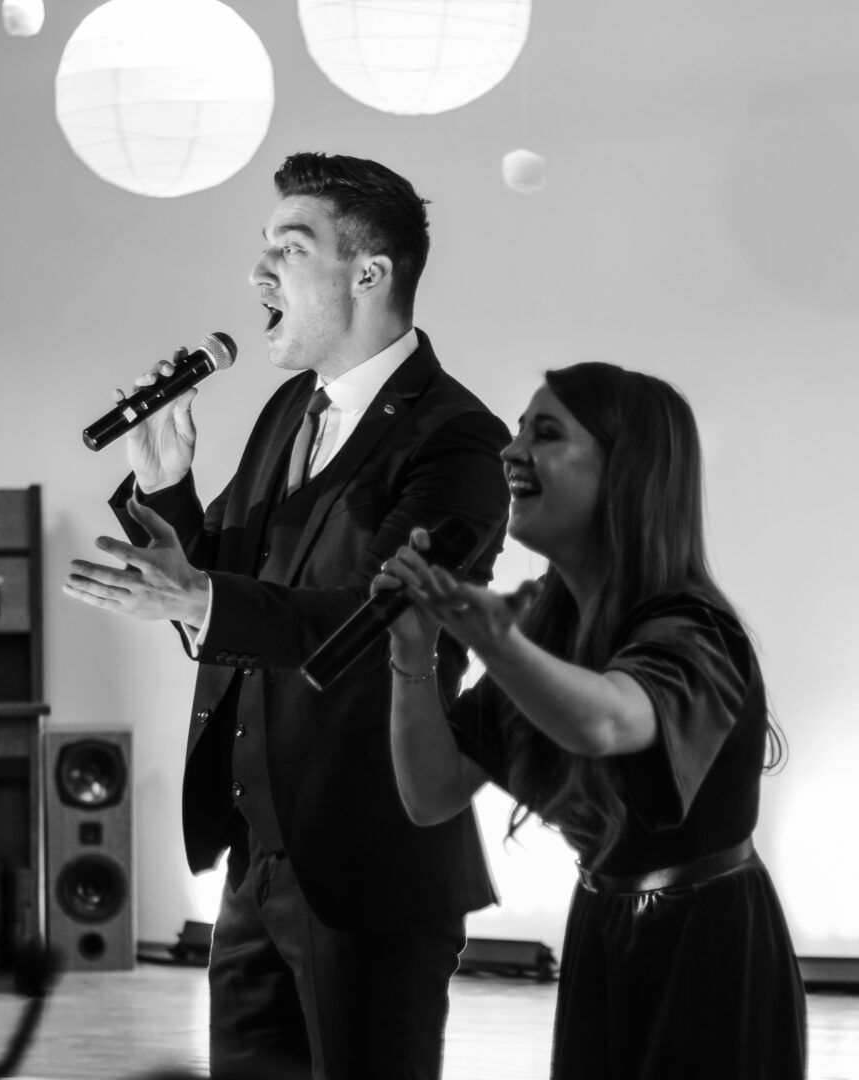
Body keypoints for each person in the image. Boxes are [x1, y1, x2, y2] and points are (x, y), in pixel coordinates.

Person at [63, 152, 510, 1080]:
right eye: (263, 247)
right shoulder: (286, 413)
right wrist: (166, 484)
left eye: (289, 249)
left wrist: (198, 596)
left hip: (373, 862)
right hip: (256, 862)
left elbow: (375, 624)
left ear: (368, 273)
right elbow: (226, 594)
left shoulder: (460, 440)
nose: (258, 272)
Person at [377, 362, 807, 1080]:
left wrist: (496, 641)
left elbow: (607, 723)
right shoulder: (546, 629)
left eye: (545, 434)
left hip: (707, 950)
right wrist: (411, 653)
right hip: (602, 930)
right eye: (519, 431)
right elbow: (431, 791)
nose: (510, 451)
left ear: (627, 474)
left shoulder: (694, 629)